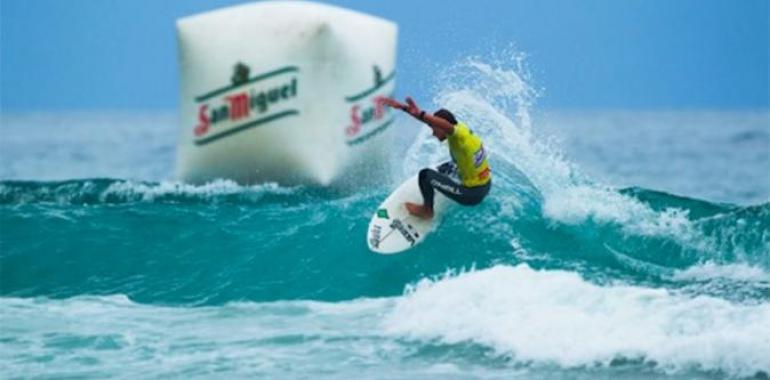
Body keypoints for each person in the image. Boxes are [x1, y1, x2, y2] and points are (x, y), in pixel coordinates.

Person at [382, 96, 491, 219]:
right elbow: (438, 123)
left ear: (443, 126)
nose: (433, 133)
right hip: (485, 185)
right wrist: (403, 108)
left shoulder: (458, 135)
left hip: (472, 195)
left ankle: (427, 211)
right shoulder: (462, 130)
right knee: (445, 167)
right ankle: (442, 186)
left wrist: (421, 113)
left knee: (425, 175)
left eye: (434, 128)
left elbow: (443, 125)